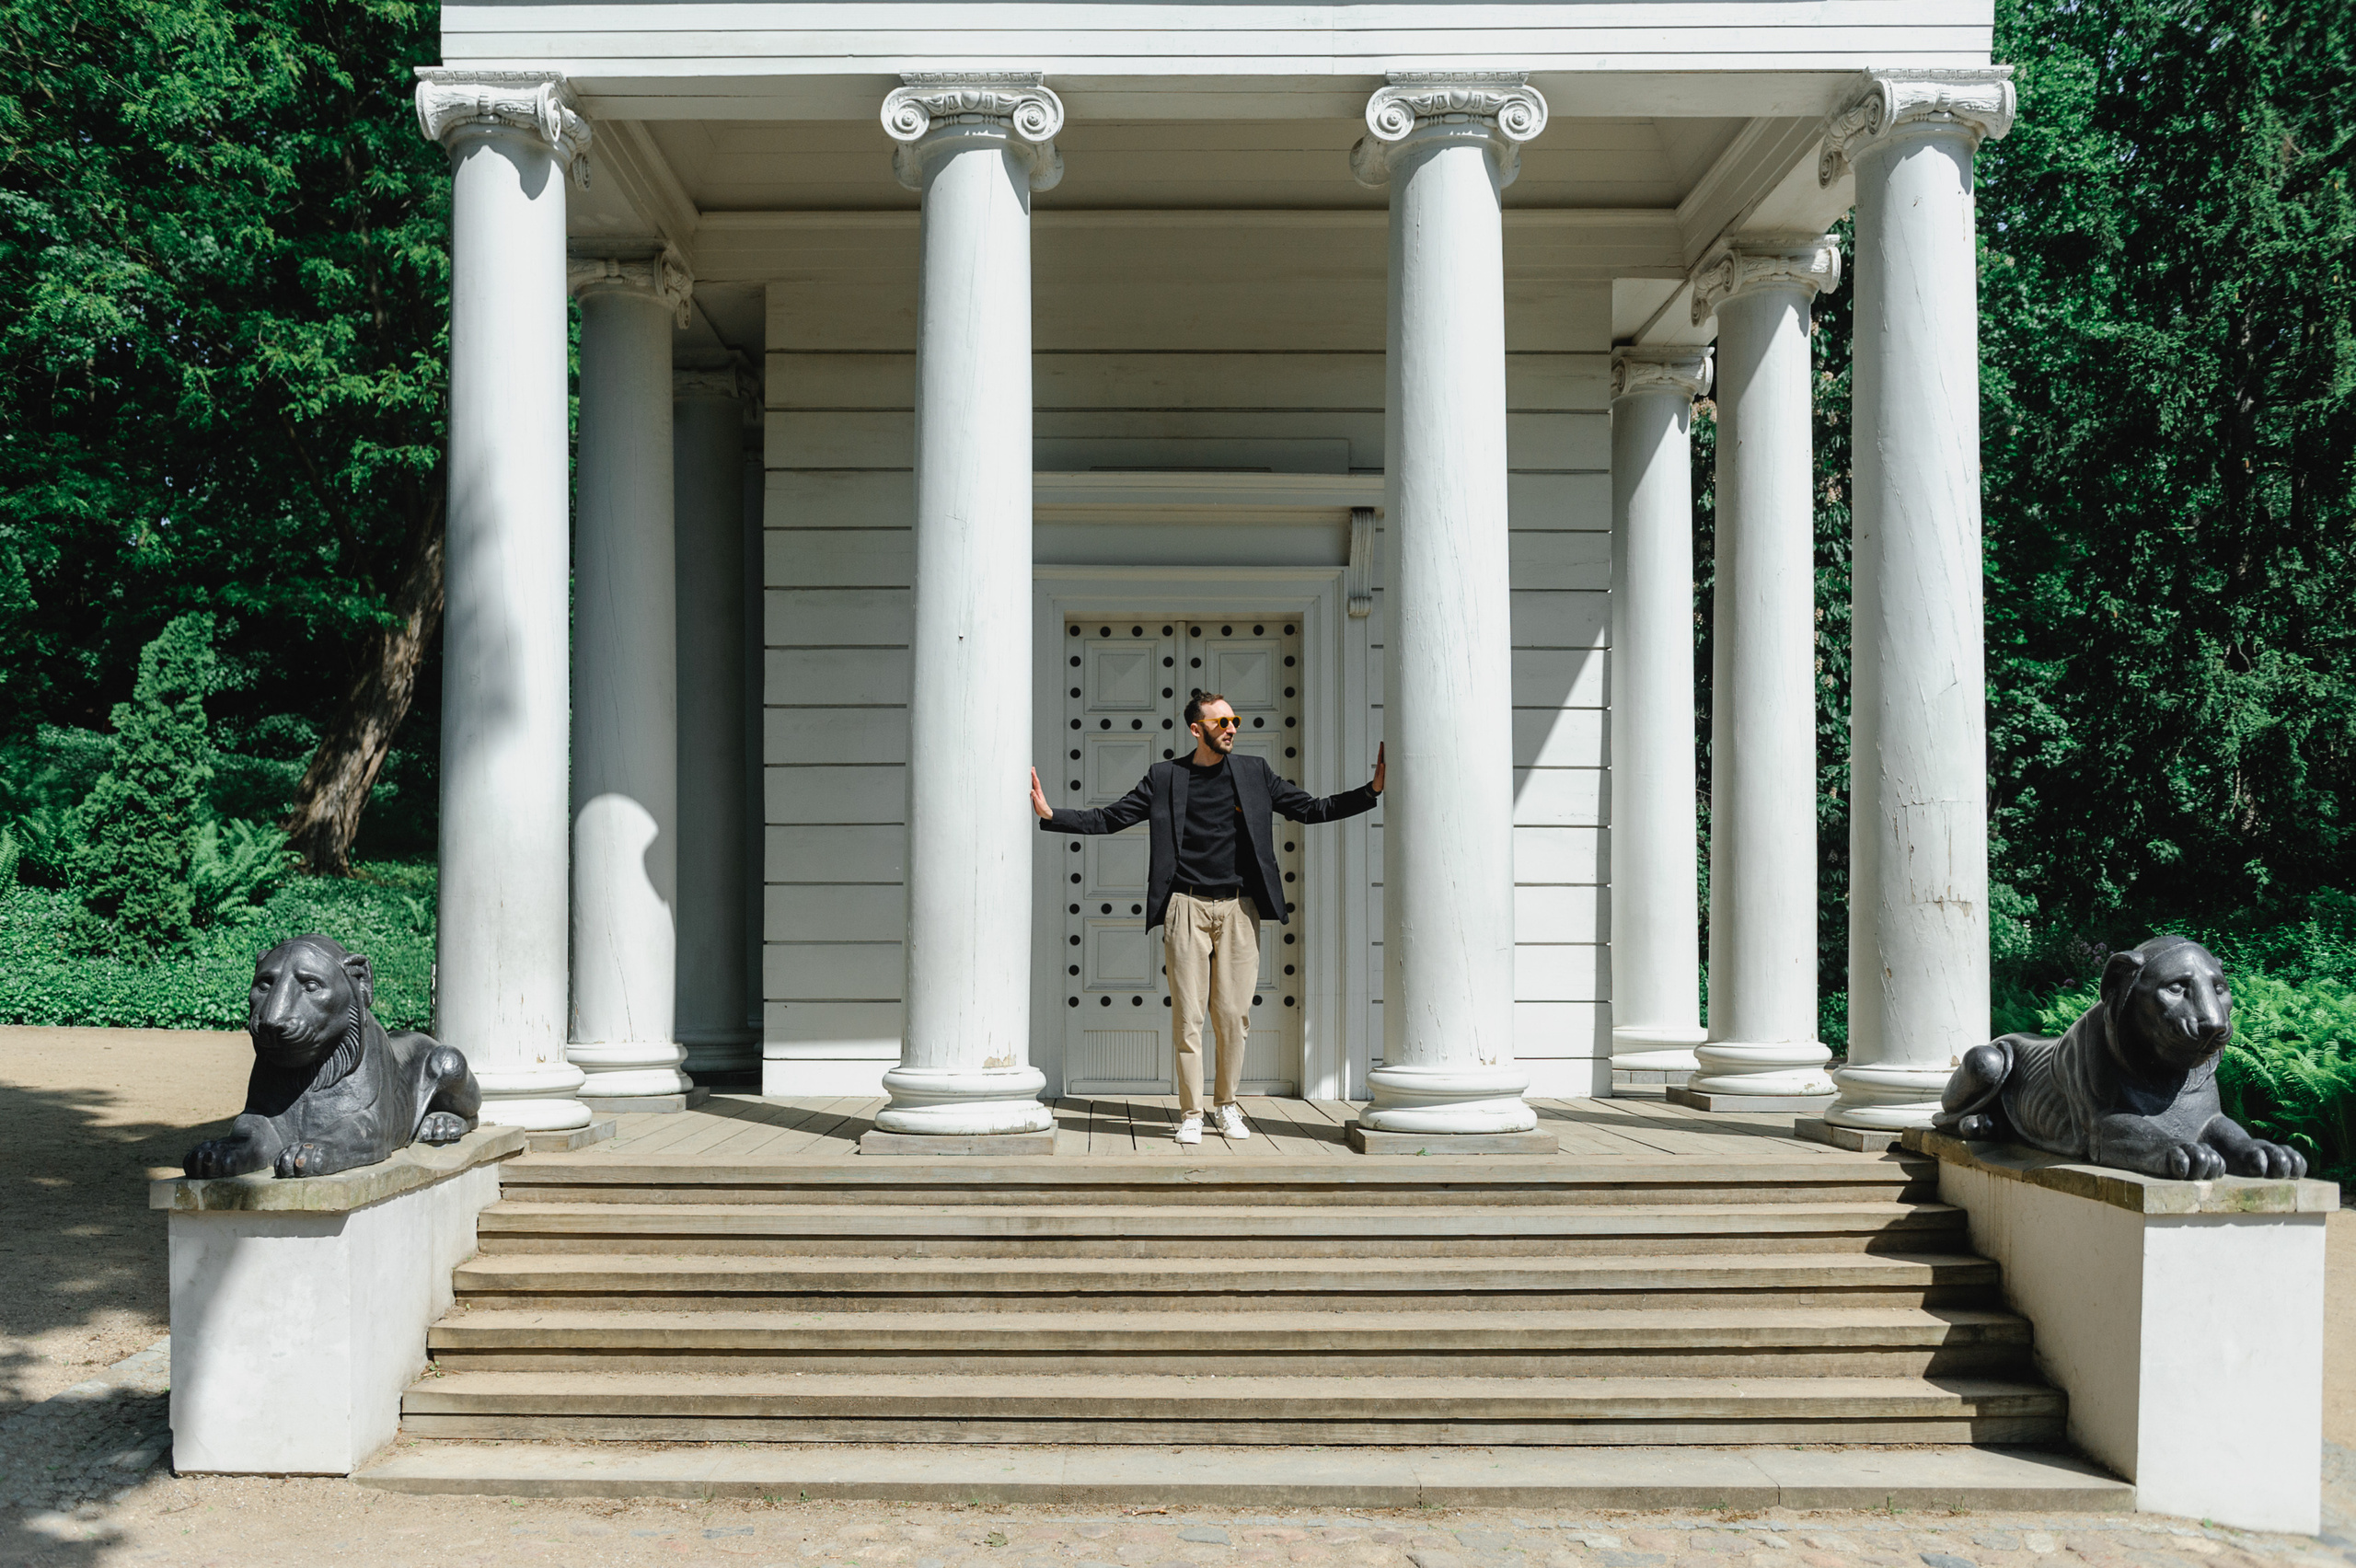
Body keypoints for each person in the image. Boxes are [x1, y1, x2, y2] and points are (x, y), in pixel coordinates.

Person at [1031, 691, 1384, 1144]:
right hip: (1185, 907)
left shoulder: (1254, 772)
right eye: (1221, 722)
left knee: (1233, 1016)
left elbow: (1311, 809)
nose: (1231, 728)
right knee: (1189, 1018)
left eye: (1234, 720)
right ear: (1197, 729)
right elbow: (1112, 817)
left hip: (1239, 908)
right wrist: (1053, 815)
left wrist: (1371, 791)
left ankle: (1227, 1105)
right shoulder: (1165, 777)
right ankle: (1191, 1113)